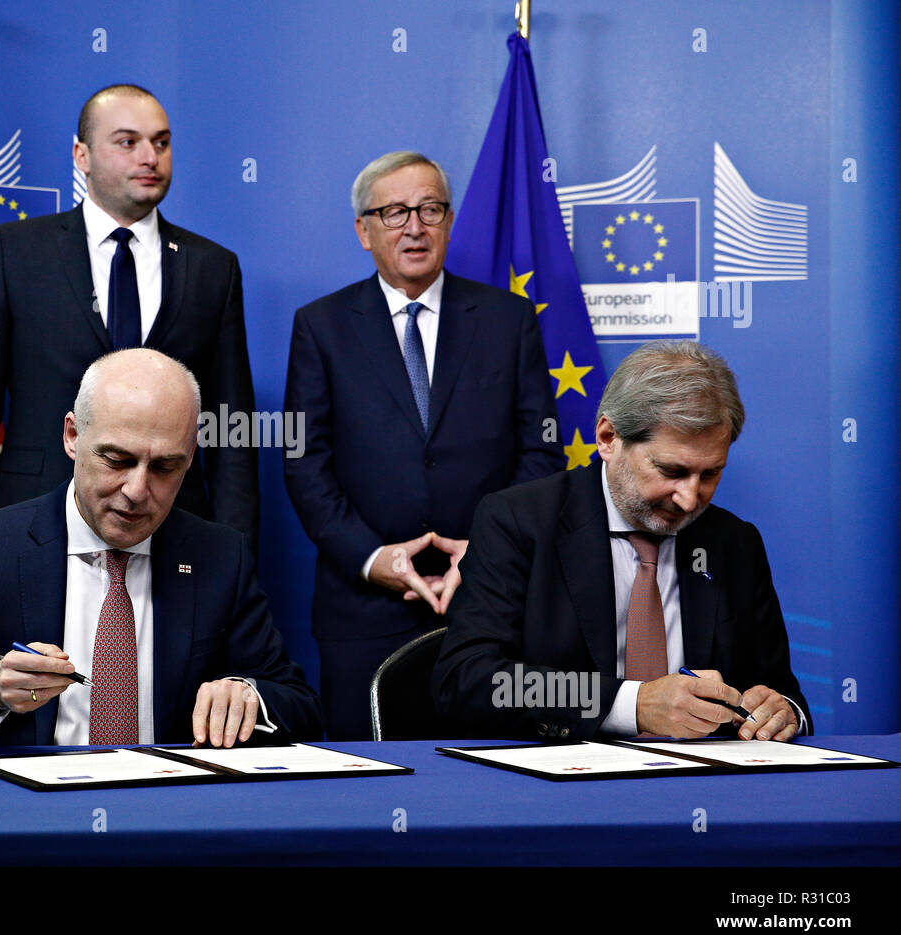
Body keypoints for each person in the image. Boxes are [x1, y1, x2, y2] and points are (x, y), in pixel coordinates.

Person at [0, 349, 321, 749]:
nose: (137, 490)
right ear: (73, 436)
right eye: (117, 460)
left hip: (169, 819)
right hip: (29, 824)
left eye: (165, 468)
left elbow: (300, 705)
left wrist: (248, 697)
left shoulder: (219, 556)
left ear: (191, 456)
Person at [283, 150, 562, 740]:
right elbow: (306, 462)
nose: (415, 226)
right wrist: (372, 558)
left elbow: (542, 454)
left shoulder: (509, 320)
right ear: (364, 230)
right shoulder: (321, 326)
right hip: (362, 608)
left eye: (430, 208)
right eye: (394, 212)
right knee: (364, 788)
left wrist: (484, 553)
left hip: (491, 603)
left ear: (450, 220)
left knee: (493, 785)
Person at [433, 341, 811, 742]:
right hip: (567, 784)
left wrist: (782, 711)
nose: (689, 498)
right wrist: (633, 704)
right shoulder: (518, 521)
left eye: (711, 474)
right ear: (608, 438)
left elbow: (780, 688)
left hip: (706, 783)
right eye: (671, 470)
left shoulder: (734, 543)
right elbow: (470, 680)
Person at [0, 83, 258, 549]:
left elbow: (233, 425)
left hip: (174, 525)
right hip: (33, 517)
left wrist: (236, 551)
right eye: (128, 142)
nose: (150, 157)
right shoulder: (14, 252)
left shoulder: (213, 267)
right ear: (82, 155)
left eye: (162, 142)